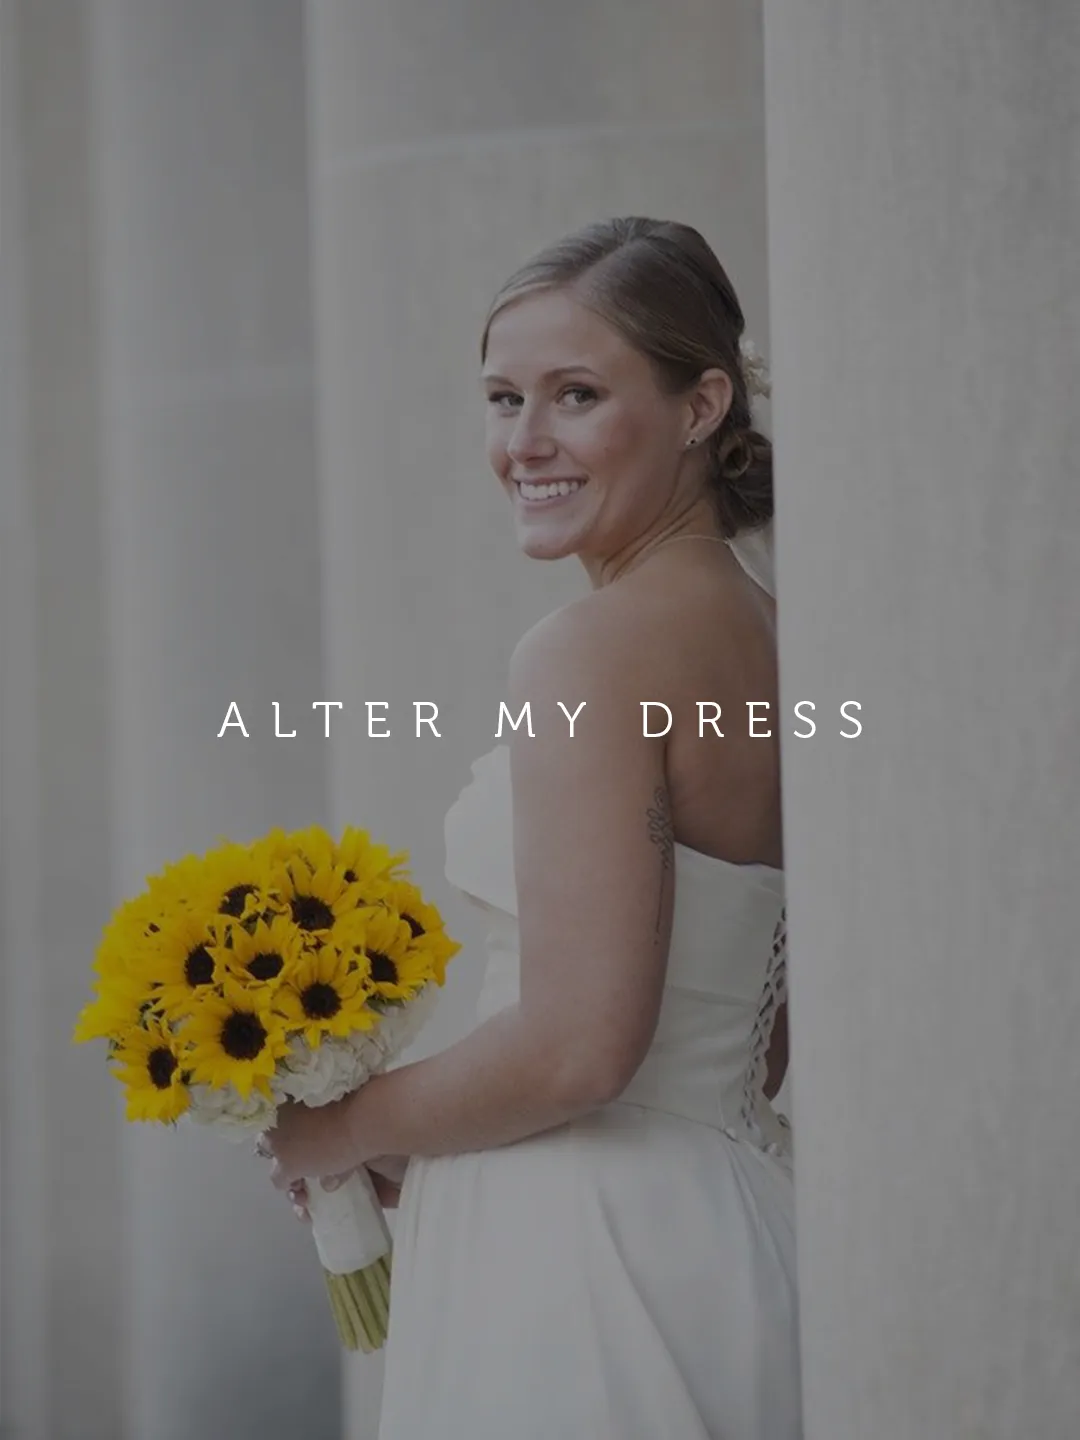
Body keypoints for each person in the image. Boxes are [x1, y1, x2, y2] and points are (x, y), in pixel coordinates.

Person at [261, 216, 801, 1439]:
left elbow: (576, 1053)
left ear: (703, 403)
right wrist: (430, 1141)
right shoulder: (781, 640)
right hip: (729, 1224)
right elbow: (756, 1042)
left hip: (580, 1266)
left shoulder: (588, 653)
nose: (526, 443)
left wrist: (332, 1130)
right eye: (505, 398)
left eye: (577, 395)